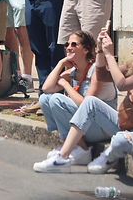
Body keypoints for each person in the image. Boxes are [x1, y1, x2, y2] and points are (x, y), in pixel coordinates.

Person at [33, 22, 133, 174]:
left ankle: (97, 155)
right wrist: (100, 50)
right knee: (49, 98)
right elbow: (104, 75)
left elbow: (122, 84)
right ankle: (63, 156)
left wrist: (109, 54)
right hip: (128, 120)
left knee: (119, 139)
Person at [36, 30, 117, 161]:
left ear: (86, 49)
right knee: (45, 99)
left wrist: (66, 85)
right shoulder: (74, 71)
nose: (69, 47)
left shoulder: (96, 70)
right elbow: (46, 88)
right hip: (85, 125)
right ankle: (71, 145)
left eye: (74, 44)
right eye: (67, 44)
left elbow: (87, 105)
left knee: (57, 99)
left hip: (102, 127)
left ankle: (83, 150)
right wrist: (61, 63)